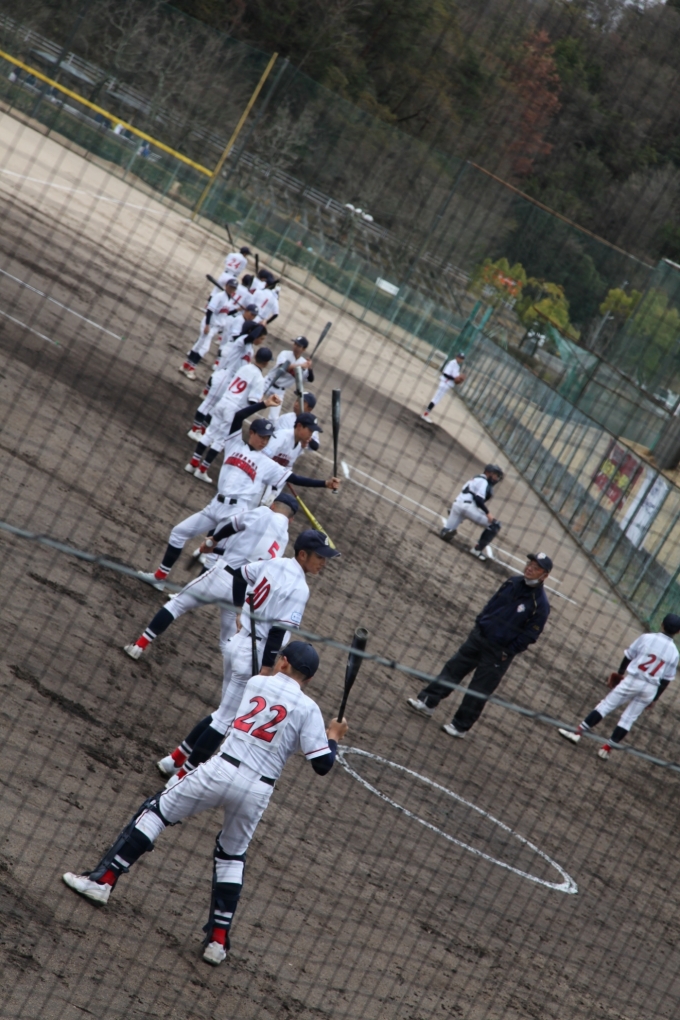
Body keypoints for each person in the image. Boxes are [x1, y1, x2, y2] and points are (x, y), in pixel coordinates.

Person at [62, 643, 348, 967]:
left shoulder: (257, 683)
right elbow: (322, 765)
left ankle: (102, 882)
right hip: (258, 790)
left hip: (221, 770)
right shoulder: (309, 709)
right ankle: (217, 942)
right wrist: (334, 736)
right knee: (232, 855)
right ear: (309, 679)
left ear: (283, 662)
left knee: (157, 812)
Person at [158, 530, 340, 781]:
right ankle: (181, 778)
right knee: (225, 721)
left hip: (238, 644)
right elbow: (278, 630)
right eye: (319, 557)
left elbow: (239, 574)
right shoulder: (299, 587)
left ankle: (173, 760)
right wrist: (266, 668)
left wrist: (238, 610)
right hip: (254, 654)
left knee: (223, 713)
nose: (324, 563)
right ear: (302, 554)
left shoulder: (274, 563)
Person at [138, 421, 339, 588]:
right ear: (251, 433)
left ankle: (190, 593)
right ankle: (159, 578)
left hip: (235, 511)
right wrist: (263, 404)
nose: (264, 440)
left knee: (212, 557)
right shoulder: (235, 445)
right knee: (179, 532)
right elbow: (237, 417)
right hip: (215, 505)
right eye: (261, 436)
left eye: (267, 438)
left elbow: (295, 478)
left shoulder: (266, 463)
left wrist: (324, 483)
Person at [123, 495, 299, 661]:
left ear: (272, 505)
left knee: (176, 605)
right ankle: (235, 679)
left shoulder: (263, 512)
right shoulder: (283, 538)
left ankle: (138, 646)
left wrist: (212, 541)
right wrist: (215, 549)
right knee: (228, 643)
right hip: (242, 594)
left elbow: (232, 525)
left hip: (220, 577)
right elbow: (249, 557)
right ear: (291, 520)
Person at [407, 552, 552, 738]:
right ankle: (428, 702)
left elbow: (531, 635)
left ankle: (460, 727)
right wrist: (480, 623)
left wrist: (508, 651)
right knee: (453, 669)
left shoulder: (541, 605)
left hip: (498, 652)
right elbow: (492, 604)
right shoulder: (512, 582)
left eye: (536, 567)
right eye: (530, 563)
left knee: (479, 690)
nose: (530, 568)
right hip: (479, 637)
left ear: (544, 575)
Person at [558, 615, 680, 760]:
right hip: (650, 688)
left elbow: (628, 656)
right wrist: (655, 698)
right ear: (678, 632)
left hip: (633, 680)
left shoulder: (647, 638)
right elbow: (666, 680)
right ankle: (606, 749)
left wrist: (620, 673)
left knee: (606, 705)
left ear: (661, 624)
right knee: (628, 719)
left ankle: (577, 733)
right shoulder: (674, 652)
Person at [439, 465, 504, 560]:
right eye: (496, 475)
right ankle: (477, 550)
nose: (496, 478)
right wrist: (488, 514)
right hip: (468, 508)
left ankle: (446, 530)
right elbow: (478, 499)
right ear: (488, 472)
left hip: (456, 505)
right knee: (495, 525)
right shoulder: (484, 481)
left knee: (447, 531)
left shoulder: (475, 478)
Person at [180, 278, 240, 379]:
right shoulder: (219, 296)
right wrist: (207, 325)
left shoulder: (229, 299)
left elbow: (225, 313)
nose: (231, 289)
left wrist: (237, 310)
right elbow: (209, 311)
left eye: (233, 288)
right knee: (204, 348)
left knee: (199, 345)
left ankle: (185, 366)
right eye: (230, 287)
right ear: (226, 286)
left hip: (215, 327)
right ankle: (191, 369)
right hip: (209, 325)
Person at [263, 338, 315, 421]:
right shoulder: (285, 354)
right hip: (267, 383)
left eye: (299, 346)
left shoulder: (304, 363)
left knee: (273, 418)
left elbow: (310, 379)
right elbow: (283, 367)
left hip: (279, 391)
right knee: (252, 400)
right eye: (295, 344)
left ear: (304, 349)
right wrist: (301, 366)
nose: (295, 347)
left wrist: (310, 368)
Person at [420, 353, 466, 421]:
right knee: (435, 399)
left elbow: (456, 379)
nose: (460, 359)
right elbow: (445, 374)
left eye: (462, 358)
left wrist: (459, 379)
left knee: (437, 400)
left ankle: (425, 414)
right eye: (460, 357)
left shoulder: (457, 366)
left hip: (447, 385)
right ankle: (425, 415)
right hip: (444, 383)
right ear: (456, 357)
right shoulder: (452, 363)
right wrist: (455, 379)